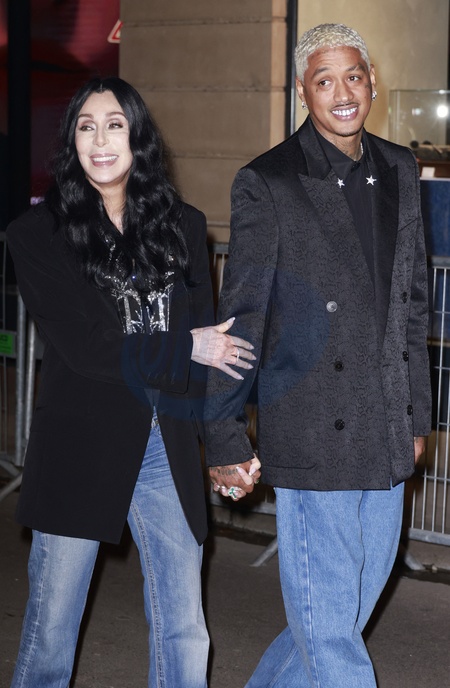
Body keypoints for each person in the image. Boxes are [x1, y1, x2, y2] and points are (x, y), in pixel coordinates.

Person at [6, 76, 258, 688]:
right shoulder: (37, 235)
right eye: (86, 126)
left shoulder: (183, 226)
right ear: (71, 142)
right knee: (52, 632)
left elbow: (215, 350)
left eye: (114, 125)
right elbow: (89, 348)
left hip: (165, 445)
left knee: (184, 628)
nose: (100, 140)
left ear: (137, 137)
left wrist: (225, 447)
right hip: (80, 446)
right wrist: (187, 345)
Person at [204, 23, 431, 687]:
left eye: (353, 76)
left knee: (338, 616)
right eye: (324, 80)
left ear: (372, 82)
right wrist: (223, 436)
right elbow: (241, 319)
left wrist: (417, 416)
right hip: (312, 428)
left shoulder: (400, 168)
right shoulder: (268, 181)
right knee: (331, 635)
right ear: (303, 92)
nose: (342, 92)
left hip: (385, 428)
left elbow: (413, 305)